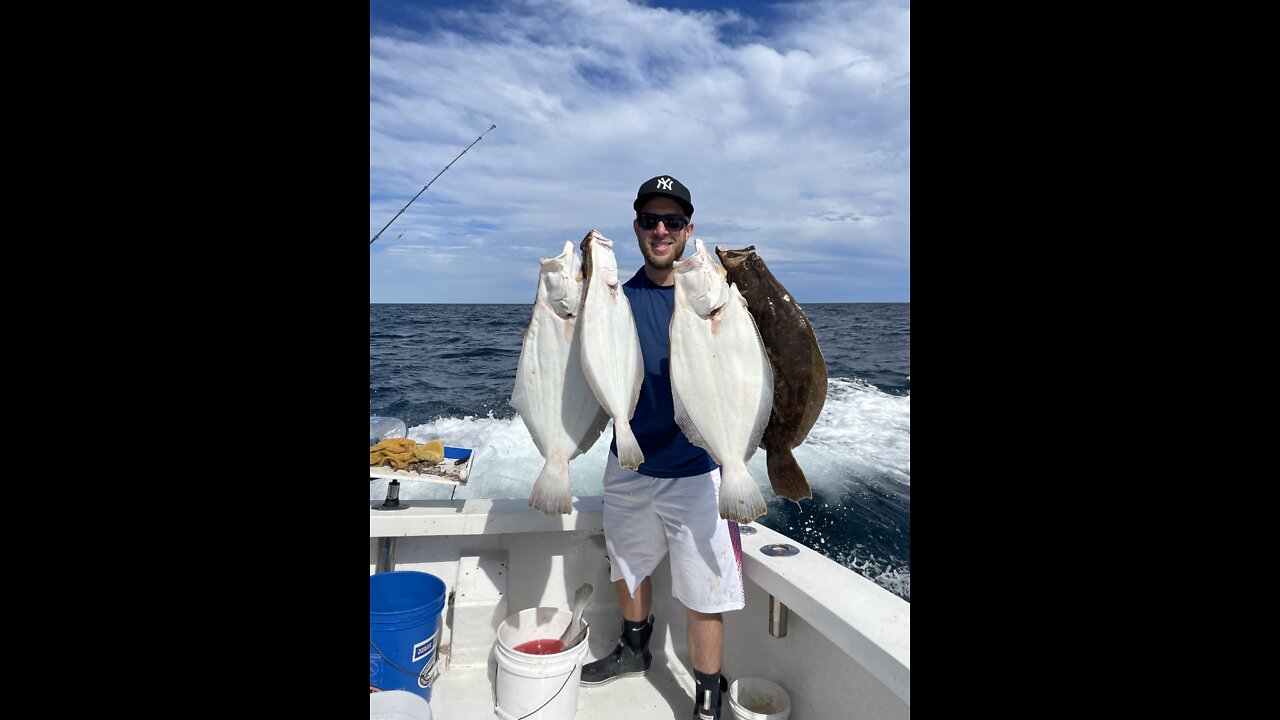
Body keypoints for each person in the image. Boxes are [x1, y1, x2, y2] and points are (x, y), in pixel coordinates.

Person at [579, 175, 743, 720]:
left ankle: (706, 694)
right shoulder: (617, 302)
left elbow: (747, 366)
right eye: (651, 220)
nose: (661, 230)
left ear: (688, 228)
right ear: (637, 229)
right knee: (628, 566)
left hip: (698, 471)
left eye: (673, 221)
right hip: (629, 466)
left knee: (705, 590)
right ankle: (633, 650)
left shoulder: (715, 301)